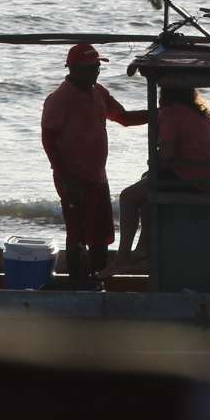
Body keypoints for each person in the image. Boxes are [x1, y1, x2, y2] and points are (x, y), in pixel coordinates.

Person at [40, 43, 148, 287]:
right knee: (77, 233)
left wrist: (156, 113)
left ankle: (97, 280)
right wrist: (65, 179)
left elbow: (124, 118)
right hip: (72, 177)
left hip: (98, 176)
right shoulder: (59, 99)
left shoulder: (99, 92)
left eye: (98, 66)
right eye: (92, 67)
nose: (97, 71)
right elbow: (48, 140)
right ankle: (77, 283)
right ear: (74, 69)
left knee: (100, 234)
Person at [115, 85, 210, 265]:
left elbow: (167, 154)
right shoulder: (203, 112)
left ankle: (122, 257)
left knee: (128, 196)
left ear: (164, 92)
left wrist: (155, 159)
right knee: (148, 180)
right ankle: (144, 245)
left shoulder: (171, 113)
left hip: (195, 181)